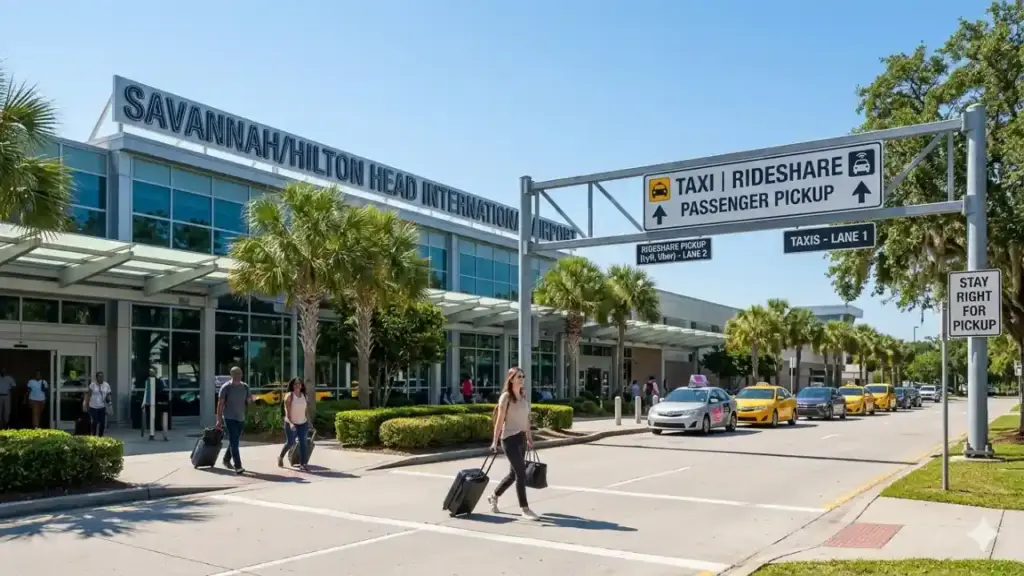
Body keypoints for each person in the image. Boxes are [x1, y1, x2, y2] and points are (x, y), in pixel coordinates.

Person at [486, 367, 540, 520]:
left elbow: (526, 419)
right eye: (519, 376)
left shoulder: (524, 395)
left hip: (522, 438)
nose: (522, 379)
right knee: (521, 473)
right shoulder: (506, 397)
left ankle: (494, 496)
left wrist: (530, 438)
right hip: (509, 438)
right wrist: (494, 441)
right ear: (511, 379)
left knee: (513, 474)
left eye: (523, 376)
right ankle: (525, 508)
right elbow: (499, 420)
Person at [217, 366, 252, 474]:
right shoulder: (226, 387)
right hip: (229, 417)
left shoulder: (245, 387)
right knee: (234, 441)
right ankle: (238, 466)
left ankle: (226, 459)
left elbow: (249, 399)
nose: (238, 375)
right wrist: (219, 420)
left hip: (240, 417)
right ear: (231, 375)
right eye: (236, 373)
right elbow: (220, 404)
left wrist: (250, 400)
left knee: (234, 440)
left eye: (240, 373)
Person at [278, 377, 310, 471]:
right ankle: (280, 457)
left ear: (301, 385)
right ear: (292, 385)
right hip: (291, 423)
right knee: (290, 442)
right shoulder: (289, 396)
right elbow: (287, 413)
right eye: (295, 384)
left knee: (303, 442)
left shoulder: (305, 396)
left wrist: (309, 422)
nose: (297, 385)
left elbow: (306, 411)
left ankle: (303, 463)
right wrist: (291, 423)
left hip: (303, 423)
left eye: (299, 383)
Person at [84, 371, 111, 436]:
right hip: (93, 407)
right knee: (95, 422)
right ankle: (93, 435)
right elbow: (88, 396)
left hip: (102, 407)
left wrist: (109, 403)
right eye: (99, 376)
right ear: (96, 377)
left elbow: (108, 395)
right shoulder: (92, 385)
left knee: (102, 423)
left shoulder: (106, 385)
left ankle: (100, 436)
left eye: (102, 376)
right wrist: (87, 405)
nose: (101, 378)